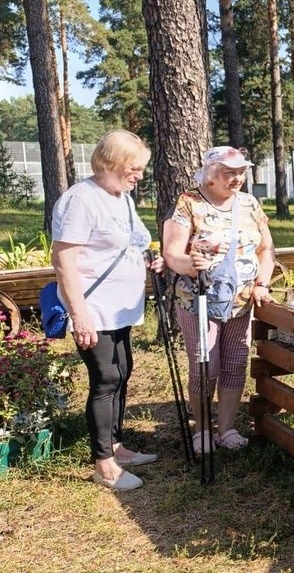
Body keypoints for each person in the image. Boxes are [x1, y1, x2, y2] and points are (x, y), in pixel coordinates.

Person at [51, 130, 165, 492]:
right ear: (112, 162)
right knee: (106, 380)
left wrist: (151, 258)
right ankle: (104, 464)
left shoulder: (121, 197)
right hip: (94, 309)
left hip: (120, 310)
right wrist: (79, 314)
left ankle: (117, 447)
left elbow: (134, 239)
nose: (140, 175)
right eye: (135, 168)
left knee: (123, 371)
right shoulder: (80, 200)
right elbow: (63, 261)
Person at [163, 146, 276, 454]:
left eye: (241, 172)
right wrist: (190, 264)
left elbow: (266, 250)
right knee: (205, 367)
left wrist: (262, 283)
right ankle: (201, 429)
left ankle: (225, 428)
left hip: (241, 302)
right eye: (230, 173)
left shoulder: (250, 204)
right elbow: (172, 253)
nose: (237, 178)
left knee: (235, 364)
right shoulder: (189, 203)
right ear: (211, 175)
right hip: (200, 301)